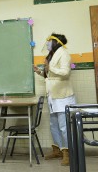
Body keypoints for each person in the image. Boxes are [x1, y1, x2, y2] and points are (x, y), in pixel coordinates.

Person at [33, 33, 75, 166]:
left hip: (63, 96)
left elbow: (65, 72)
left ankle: (68, 153)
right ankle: (57, 150)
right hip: (52, 96)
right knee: (54, 125)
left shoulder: (63, 53)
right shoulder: (52, 55)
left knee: (64, 126)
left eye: (49, 41)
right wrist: (39, 71)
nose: (47, 44)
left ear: (56, 42)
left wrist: (50, 66)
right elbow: (49, 76)